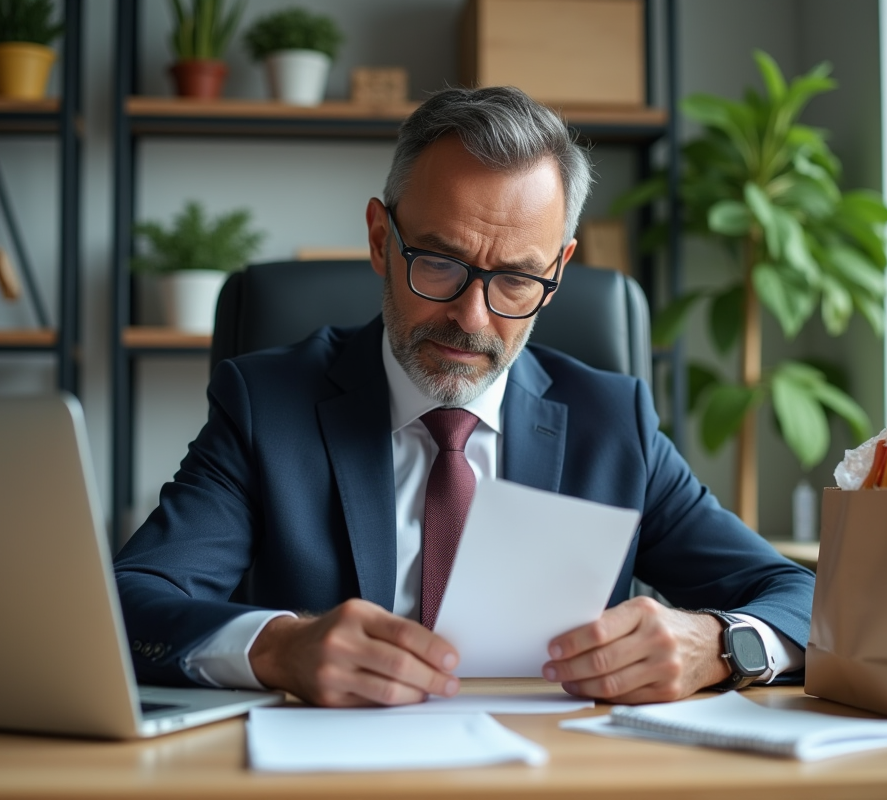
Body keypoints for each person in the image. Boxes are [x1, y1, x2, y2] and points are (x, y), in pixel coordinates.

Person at [114, 86, 815, 708]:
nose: (473, 319)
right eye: (442, 263)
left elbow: (805, 598)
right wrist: (277, 647)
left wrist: (720, 644)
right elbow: (129, 601)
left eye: (516, 279)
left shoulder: (613, 422)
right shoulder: (267, 404)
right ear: (381, 240)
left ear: (560, 270)